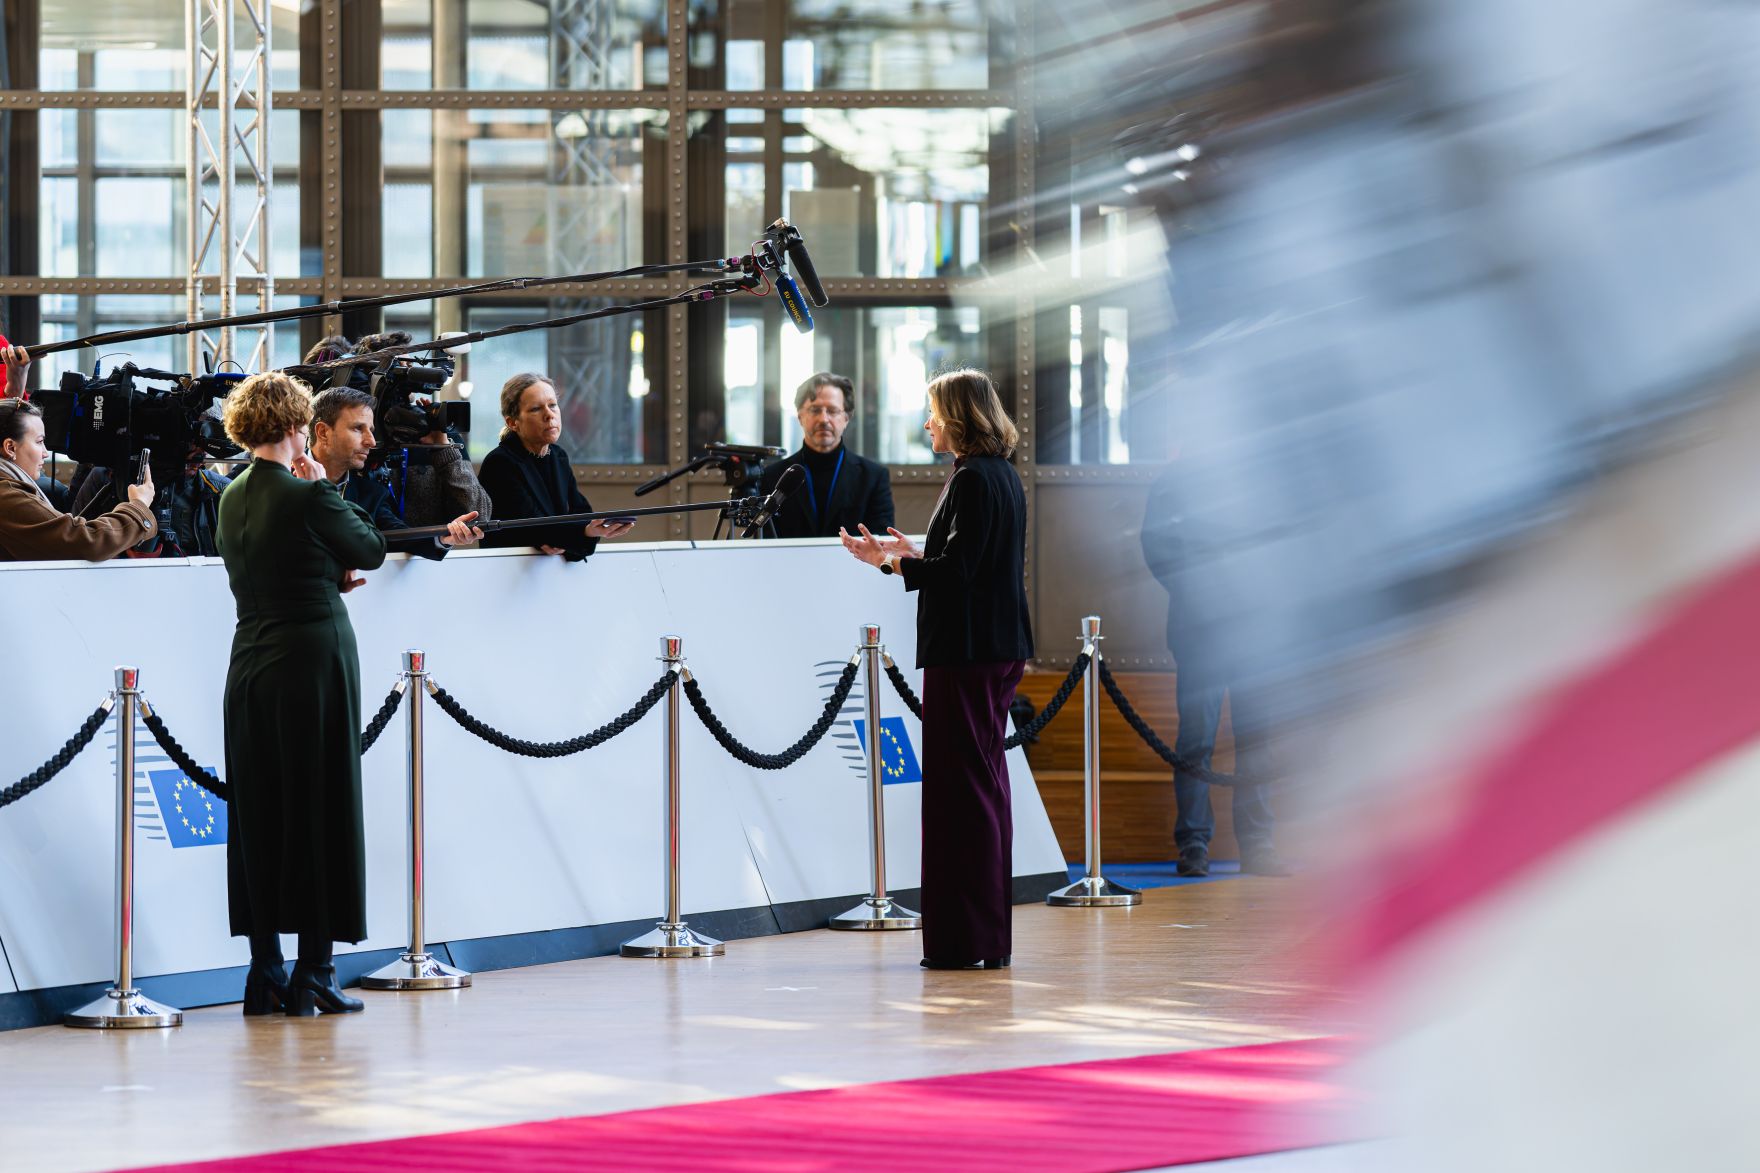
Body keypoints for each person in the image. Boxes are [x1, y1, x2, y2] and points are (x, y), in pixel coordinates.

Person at [840, 369, 1032, 970]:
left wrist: (889, 565)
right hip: (995, 646)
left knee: (960, 796)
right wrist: (914, 553)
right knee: (985, 788)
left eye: (934, 413)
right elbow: (965, 562)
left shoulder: (973, 478)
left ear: (958, 417)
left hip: (967, 652)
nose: (928, 424)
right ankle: (985, 938)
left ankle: (962, 941)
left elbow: (958, 575)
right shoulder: (1000, 476)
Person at [216, 371, 386, 1018]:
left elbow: (274, 561)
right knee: (322, 805)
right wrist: (323, 490)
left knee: (260, 811)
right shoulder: (307, 493)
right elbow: (368, 547)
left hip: (251, 658)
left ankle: (266, 968)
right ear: (296, 425)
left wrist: (321, 569)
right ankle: (315, 968)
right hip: (314, 658)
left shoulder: (232, 496)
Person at [1140, 461, 1287, 876]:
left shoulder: (1263, 470)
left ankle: (1258, 845)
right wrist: (1197, 592)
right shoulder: (1176, 478)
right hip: (1199, 629)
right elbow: (1155, 546)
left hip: (1257, 630)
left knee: (1257, 740)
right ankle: (1193, 845)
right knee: (1195, 742)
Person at [308, 386, 482, 558]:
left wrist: (445, 536)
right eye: (357, 429)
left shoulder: (371, 493)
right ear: (323, 432)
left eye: (371, 430)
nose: (371, 441)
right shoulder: (283, 478)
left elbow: (401, 536)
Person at [478, 373, 634, 559]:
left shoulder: (558, 456)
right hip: (508, 572)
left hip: (550, 573)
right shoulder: (500, 463)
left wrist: (577, 535)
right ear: (513, 422)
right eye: (536, 409)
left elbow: (581, 513)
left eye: (552, 405)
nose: (549, 415)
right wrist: (583, 533)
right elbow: (534, 526)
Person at [0, 398, 158, 561]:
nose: (45, 453)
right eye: (39, 442)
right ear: (10, 448)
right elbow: (85, 541)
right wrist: (138, 508)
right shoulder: (6, 495)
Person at [757, 372, 895, 538]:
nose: (823, 419)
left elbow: (881, 543)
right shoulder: (772, 477)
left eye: (832, 410)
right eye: (815, 410)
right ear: (800, 416)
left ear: (847, 418)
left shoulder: (873, 477)